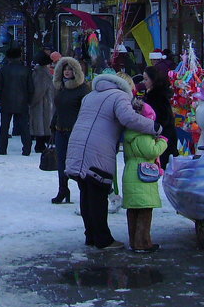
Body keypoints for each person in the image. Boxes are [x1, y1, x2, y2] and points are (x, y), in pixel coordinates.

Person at [65, 73, 157, 250]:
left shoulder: (90, 95)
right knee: (98, 193)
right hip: (97, 147)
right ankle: (103, 239)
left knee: (86, 190)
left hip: (77, 144)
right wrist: (153, 127)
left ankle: (90, 235)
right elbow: (128, 118)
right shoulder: (119, 96)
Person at [122, 97, 168, 253]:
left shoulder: (130, 132)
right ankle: (143, 242)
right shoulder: (143, 134)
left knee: (133, 211)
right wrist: (162, 141)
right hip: (142, 174)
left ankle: (134, 241)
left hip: (131, 172)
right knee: (145, 210)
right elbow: (151, 151)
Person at [50, 57, 89, 205]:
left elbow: (86, 111)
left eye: (70, 69)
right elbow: (59, 109)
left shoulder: (83, 89)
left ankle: (84, 192)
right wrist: (53, 124)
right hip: (60, 130)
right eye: (65, 69)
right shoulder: (62, 88)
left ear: (76, 71)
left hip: (76, 131)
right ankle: (63, 190)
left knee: (77, 163)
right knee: (61, 163)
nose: (67, 72)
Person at [0, 47, 33, 156]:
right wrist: (28, 100)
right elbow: (30, 88)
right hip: (22, 102)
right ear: (19, 56)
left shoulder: (3, 70)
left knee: (4, 127)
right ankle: (26, 149)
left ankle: (2, 149)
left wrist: (1, 99)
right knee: (25, 126)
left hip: (6, 102)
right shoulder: (26, 70)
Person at [141, 64, 177, 166]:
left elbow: (164, 118)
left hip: (163, 138)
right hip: (162, 137)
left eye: (146, 79)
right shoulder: (153, 94)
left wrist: (154, 130)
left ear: (153, 80)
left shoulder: (157, 96)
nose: (144, 82)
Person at [29, 53, 55, 154]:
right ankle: (40, 145)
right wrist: (32, 102)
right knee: (42, 124)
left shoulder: (39, 72)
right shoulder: (42, 73)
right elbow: (39, 90)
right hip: (42, 103)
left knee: (42, 124)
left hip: (43, 103)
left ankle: (41, 144)